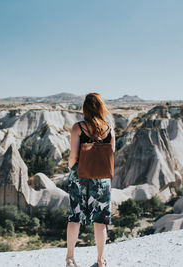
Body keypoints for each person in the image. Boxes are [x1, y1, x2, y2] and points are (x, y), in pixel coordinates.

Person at [65, 93, 115, 267]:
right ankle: (101, 260)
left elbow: (73, 156)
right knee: (100, 220)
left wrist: (70, 167)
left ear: (84, 109)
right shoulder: (109, 129)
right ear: (101, 108)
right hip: (102, 180)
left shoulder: (78, 128)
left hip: (80, 178)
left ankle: (70, 259)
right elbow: (110, 155)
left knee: (74, 217)